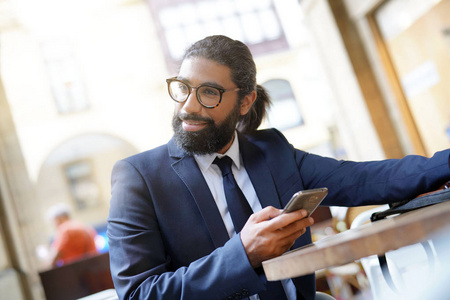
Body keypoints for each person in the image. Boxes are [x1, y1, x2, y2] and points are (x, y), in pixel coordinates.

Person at [107, 35, 450, 300]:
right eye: (183, 88)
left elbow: (368, 179)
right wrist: (243, 254)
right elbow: (141, 293)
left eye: (208, 92)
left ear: (245, 102)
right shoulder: (138, 178)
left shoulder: (272, 151)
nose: (188, 106)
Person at [47, 203, 98, 267]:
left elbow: (54, 258)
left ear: (59, 218)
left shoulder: (65, 230)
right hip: (95, 268)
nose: (54, 224)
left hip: (77, 272)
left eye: (54, 221)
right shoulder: (85, 227)